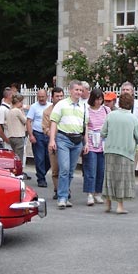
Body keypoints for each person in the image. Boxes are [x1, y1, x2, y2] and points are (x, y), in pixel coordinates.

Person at [101, 92, 138, 214]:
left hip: (110, 150)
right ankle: (120, 206)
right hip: (126, 152)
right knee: (122, 179)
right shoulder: (133, 118)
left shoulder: (111, 115)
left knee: (109, 177)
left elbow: (103, 133)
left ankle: (108, 204)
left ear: (119, 103)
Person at [49, 80, 88, 209]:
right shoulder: (62, 104)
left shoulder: (84, 106)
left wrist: (86, 143)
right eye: (76, 90)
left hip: (77, 140)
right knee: (64, 169)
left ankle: (66, 194)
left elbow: (85, 126)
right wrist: (52, 140)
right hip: (63, 138)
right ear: (70, 90)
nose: (79, 92)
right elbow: (54, 121)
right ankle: (62, 197)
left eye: (80, 90)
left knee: (71, 170)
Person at [83, 88, 110, 206]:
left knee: (101, 170)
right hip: (91, 141)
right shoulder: (87, 110)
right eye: (96, 99)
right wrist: (86, 143)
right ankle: (90, 193)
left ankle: (98, 192)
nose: (98, 102)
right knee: (91, 169)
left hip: (103, 142)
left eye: (100, 99)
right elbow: (85, 127)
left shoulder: (106, 110)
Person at [43, 87, 64, 199]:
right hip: (54, 142)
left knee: (65, 168)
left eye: (61, 96)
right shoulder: (47, 112)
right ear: (52, 97)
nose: (60, 98)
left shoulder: (67, 109)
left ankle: (65, 189)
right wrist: (51, 134)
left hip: (67, 141)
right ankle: (57, 189)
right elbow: (45, 127)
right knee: (55, 169)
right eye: (57, 96)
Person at [27, 89, 51, 187]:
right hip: (38, 134)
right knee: (39, 158)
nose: (41, 99)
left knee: (49, 158)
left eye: (43, 97)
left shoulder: (51, 106)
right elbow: (28, 121)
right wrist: (31, 135)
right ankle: (41, 179)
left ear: (47, 96)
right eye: (39, 97)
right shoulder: (34, 107)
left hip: (49, 134)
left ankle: (42, 172)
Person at [5, 93, 27, 164]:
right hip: (19, 136)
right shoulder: (17, 111)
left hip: (11, 136)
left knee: (14, 155)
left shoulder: (9, 111)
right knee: (19, 157)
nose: (22, 104)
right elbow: (25, 120)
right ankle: (19, 171)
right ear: (18, 102)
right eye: (21, 102)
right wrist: (23, 111)